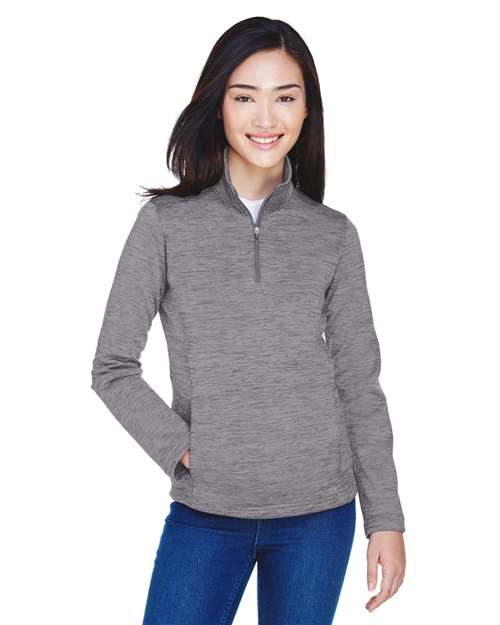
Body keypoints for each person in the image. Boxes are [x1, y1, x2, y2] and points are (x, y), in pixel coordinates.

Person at [90, 16, 406, 625]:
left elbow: (358, 385)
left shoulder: (333, 235)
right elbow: (112, 367)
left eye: (284, 98)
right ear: (218, 105)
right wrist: (185, 449)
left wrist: (385, 518)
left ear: (307, 110)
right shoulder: (165, 225)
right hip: (207, 511)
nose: (266, 118)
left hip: (320, 515)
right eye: (244, 97)